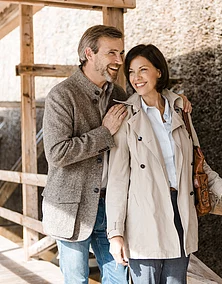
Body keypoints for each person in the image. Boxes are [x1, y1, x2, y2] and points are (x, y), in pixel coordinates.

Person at [42, 25, 193, 284]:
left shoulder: (119, 95)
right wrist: (104, 132)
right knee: (77, 280)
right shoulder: (62, 95)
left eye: (121, 53)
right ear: (89, 53)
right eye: (112, 53)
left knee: (119, 280)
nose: (119, 61)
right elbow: (57, 153)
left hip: (113, 208)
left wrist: (174, 98)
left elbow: (149, 96)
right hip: (72, 208)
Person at [106, 44, 222, 284]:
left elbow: (197, 162)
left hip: (180, 211)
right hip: (144, 217)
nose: (136, 78)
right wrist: (115, 234)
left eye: (143, 70)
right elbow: (117, 180)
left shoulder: (181, 110)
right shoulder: (126, 116)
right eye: (131, 72)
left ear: (159, 71)